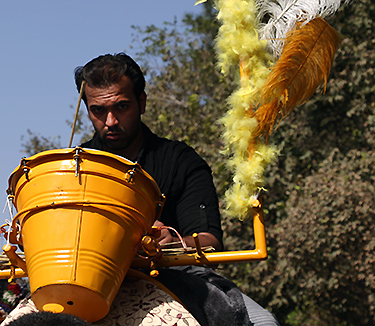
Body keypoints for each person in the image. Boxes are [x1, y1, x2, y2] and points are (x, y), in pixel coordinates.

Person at [75, 53, 279, 326]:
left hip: (178, 276)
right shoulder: (72, 168)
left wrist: (169, 241)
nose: (110, 120)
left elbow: (209, 243)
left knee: (264, 323)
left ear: (142, 102)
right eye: (98, 110)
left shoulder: (181, 161)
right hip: (86, 282)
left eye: (121, 106)